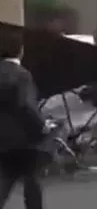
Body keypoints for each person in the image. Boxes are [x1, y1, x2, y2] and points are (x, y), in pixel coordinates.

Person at [0, 29, 47, 209]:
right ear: (20, 50)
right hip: (23, 140)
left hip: (2, 140)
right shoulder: (22, 75)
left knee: (4, 179)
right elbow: (26, 106)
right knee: (32, 181)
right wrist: (41, 126)